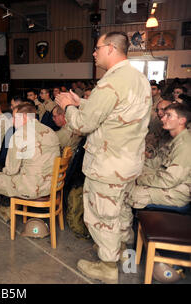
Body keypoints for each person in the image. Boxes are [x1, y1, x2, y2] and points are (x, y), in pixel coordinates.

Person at [55, 31, 152, 284]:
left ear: (110, 48)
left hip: (107, 166)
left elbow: (84, 125)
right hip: (128, 163)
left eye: (97, 48)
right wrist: (82, 102)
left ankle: (107, 267)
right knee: (119, 210)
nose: (94, 53)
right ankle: (121, 253)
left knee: (101, 215)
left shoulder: (111, 82)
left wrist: (68, 106)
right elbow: (116, 113)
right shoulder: (137, 78)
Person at [0, 103, 60, 233]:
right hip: (52, 185)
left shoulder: (19, 135)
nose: (12, 121)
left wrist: (3, 171)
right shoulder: (50, 131)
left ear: (24, 117)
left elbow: (11, 170)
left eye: (14, 118)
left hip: (31, 188)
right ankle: (5, 209)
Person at [126, 103, 191, 210]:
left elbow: (170, 180)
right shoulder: (173, 140)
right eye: (164, 115)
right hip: (168, 183)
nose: (163, 119)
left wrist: (140, 179)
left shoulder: (185, 145)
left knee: (130, 193)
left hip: (177, 192)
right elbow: (155, 162)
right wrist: (134, 172)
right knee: (126, 181)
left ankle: (125, 226)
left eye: (168, 115)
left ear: (182, 121)